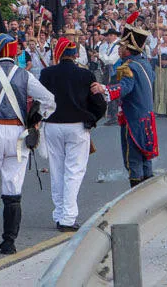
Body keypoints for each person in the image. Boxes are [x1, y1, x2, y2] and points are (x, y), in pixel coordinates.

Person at [0, 33, 56, 254]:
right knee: (12, 188)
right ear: (14, 51)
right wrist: (36, 118)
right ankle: (9, 241)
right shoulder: (24, 75)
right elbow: (48, 100)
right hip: (17, 133)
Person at [40, 36, 106, 231]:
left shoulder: (46, 73)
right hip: (78, 126)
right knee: (74, 172)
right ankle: (68, 217)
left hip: (52, 125)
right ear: (75, 54)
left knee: (57, 170)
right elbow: (98, 103)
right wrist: (92, 119)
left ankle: (60, 213)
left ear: (59, 54)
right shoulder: (85, 75)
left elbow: (40, 100)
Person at [91, 12, 158, 188]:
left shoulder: (128, 66)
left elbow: (124, 88)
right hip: (146, 116)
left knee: (133, 159)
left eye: (121, 46)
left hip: (134, 118)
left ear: (128, 48)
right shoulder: (144, 63)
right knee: (145, 157)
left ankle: (136, 197)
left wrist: (103, 89)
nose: (119, 49)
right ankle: (149, 195)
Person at [97, 29, 120, 125]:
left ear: (115, 36)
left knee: (114, 92)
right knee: (112, 92)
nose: (108, 37)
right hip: (111, 72)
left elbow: (111, 60)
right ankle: (114, 115)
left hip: (116, 72)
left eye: (111, 35)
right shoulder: (109, 46)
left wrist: (100, 56)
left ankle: (115, 115)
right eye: (108, 35)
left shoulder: (117, 46)